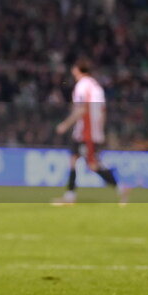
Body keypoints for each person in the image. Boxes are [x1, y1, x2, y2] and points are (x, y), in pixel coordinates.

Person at [52, 58, 128, 205]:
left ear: (78, 69)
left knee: (92, 165)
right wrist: (100, 130)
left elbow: (82, 109)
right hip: (92, 131)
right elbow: (103, 111)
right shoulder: (97, 87)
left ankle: (121, 187)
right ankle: (70, 196)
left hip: (85, 132)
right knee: (73, 160)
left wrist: (65, 124)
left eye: (74, 68)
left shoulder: (81, 86)